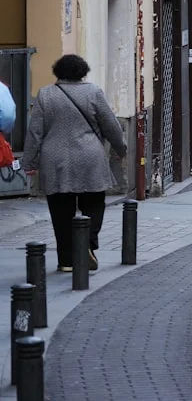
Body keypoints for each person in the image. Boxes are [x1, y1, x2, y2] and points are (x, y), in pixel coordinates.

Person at [21, 55, 128, 273]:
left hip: (55, 160)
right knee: (94, 202)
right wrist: (121, 149)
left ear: (57, 72)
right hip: (89, 157)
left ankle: (67, 261)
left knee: (60, 211)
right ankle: (87, 243)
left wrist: (29, 161)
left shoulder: (45, 95)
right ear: (83, 71)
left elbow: (35, 132)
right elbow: (111, 126)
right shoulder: (93, 92)